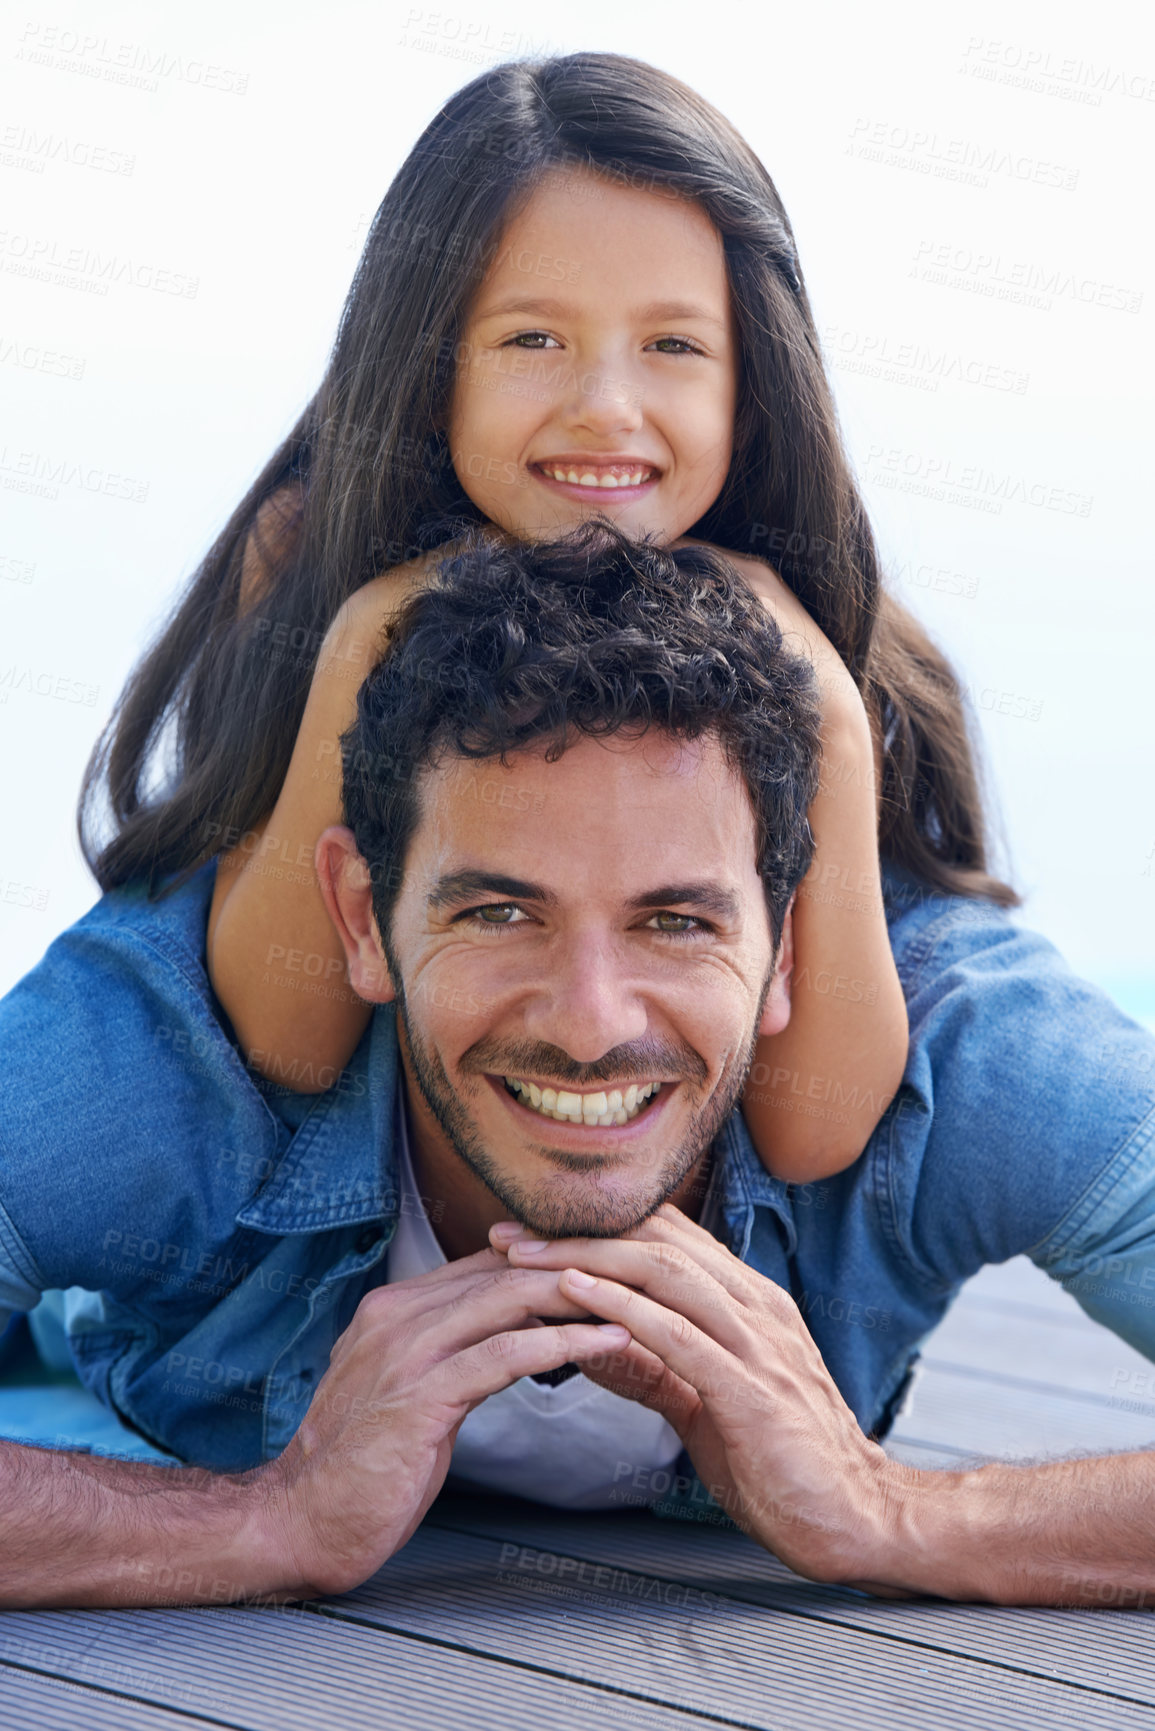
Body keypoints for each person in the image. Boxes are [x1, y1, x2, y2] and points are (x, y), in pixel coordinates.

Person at [2, 530, 1154, 1612]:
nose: (593, 1026)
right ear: (361, 915)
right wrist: (263, 1522)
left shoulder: (973, 1050)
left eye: (676, 924)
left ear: (794, 939)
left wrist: (895, 1513)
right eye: (501, 913)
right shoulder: (149, 1057)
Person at [82, 46, 1037, 1187]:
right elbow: (285, 1044)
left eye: (674, 347)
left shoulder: (808, 610)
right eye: (533, 340)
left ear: (755, 378)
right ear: (432, 366)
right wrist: (363, 639)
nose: (606, 410)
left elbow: (813, 1131)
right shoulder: (313, 555)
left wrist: (825, 705)